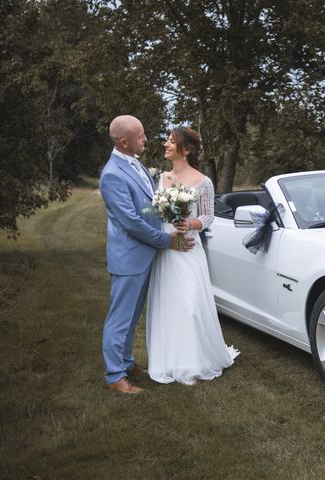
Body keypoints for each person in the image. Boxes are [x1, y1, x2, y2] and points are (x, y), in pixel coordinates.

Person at [100, 115, 193, 395]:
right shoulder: (112, 174)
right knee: (120, 318)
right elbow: (130, 221)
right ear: (123, 142)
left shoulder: (135, 163)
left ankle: (127, 363)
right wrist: (163, 239)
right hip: (129, 257)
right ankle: (115, 375)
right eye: (140, 136)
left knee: (132, 316)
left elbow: (147, 206)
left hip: (143, 255)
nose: (146, 139)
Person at [146, 126, 239, 385]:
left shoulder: (203, 181)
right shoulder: (162, 177)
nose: (165, 143)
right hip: (166, 246)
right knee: (168, 302)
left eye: (171, 141)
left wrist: (190, 225)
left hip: (188, 245)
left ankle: (194, 361)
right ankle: (169, 360)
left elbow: (208, 216)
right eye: (167, 139)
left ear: (185, 150)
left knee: (189, 304)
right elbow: (155, 211)